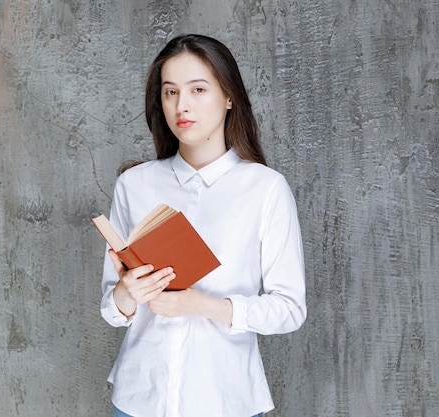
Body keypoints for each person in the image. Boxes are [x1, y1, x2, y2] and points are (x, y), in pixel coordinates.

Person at [100, 34, 306, 417]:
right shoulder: (135, 185)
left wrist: (205, 306)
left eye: (198, 89)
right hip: (139, 399)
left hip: (226, 399)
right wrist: (127, 293)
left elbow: (289, 309)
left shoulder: (264, 188)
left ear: (229, 97)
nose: (183, 105)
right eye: (170, 92)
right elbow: (112, 308)